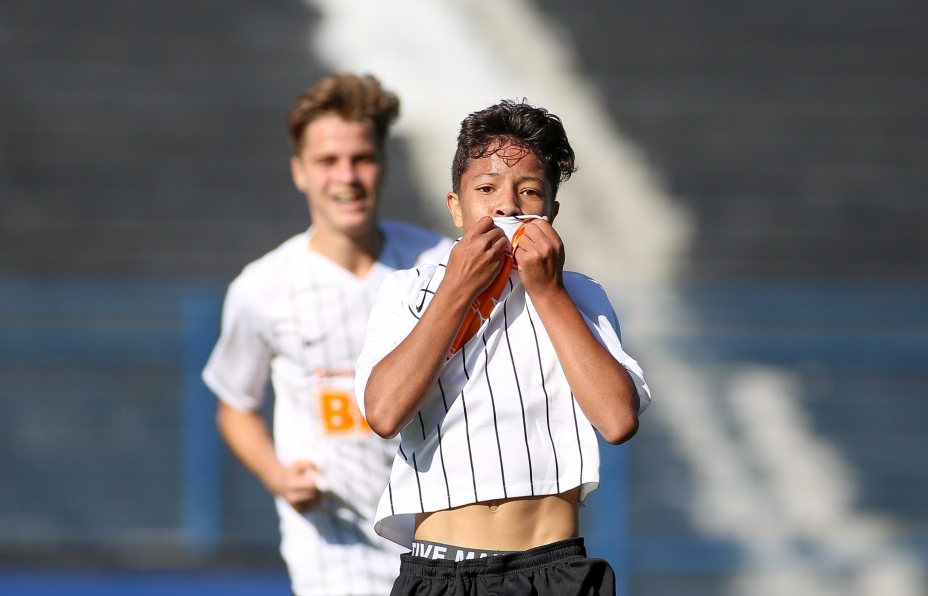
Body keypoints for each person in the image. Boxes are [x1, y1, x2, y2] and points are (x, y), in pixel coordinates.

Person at [354, 99, 652, 595]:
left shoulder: (579, 294)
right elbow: (384, 413)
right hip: (441, 571)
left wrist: (549, 292)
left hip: (551, 567)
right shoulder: (408, 291)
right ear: (456, 206)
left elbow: (618, 420)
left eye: (529, 191)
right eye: (486, 188)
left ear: (552, 212)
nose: (507, 206)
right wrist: (456, 290)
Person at [201, 73, 453, 596]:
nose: (348, 176)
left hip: (443, 548)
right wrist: (276, 474)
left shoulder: (440, 266)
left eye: (361, 157)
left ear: (383, 163)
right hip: (335, 556)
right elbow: (234, 405)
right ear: (299, 171)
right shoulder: (262, 288)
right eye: (327, 161)